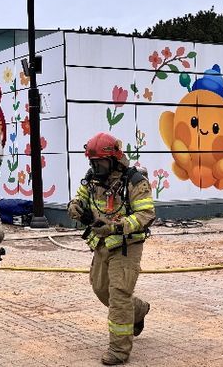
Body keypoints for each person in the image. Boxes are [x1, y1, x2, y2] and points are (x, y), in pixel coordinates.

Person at [67, 132, 155, 365]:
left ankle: (119, 350)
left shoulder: (134, 181)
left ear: (114, 159)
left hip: (127, 245)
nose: (96, 168)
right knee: (100, 289)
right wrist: (75, 207)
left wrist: (116, 227)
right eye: (93, 163)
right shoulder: (92, 179)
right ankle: (138, 310)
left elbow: (146, 214)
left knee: (118, 295)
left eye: (100, 163)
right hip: (101, 244)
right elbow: (80, 198)